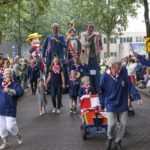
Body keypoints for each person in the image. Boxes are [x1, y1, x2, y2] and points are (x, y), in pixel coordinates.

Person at [99, 57, 143, 150]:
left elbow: (129, 85)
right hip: (110, 103)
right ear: (111, 66)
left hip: (122, 102)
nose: (119, 68)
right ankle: (110, 138)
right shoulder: (105, 76)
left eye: (120, 66)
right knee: (111, 125)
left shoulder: (123, 72)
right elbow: (101, 91)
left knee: (123, 125)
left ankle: (118, 140)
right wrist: (102, 104)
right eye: (117, 67)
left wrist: (137, 97)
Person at [0, 68, 24, 149]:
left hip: (10, 109)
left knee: (10, 126)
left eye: (10, 74)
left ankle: (18, 135)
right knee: (2, 128)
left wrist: (11, 90)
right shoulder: (1, 83)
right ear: (3, 76)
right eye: (6, 74)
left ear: (12, 75)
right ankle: (6, 142)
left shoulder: (15, 84)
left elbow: (21, 92)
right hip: (1, 109)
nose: (8, 75)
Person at [80, 23, 102, 93]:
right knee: (88, 75)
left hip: (95, 58)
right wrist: (92, 36)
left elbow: (100, 45)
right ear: (87, 27)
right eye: (90, 27)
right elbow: (84, 43)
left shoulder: (95, 35)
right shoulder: (83, 34)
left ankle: (97, 89)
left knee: (95, 74)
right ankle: (89, 89)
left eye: (92, 27)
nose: (91, 29)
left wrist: (99, 38)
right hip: (87, 59)